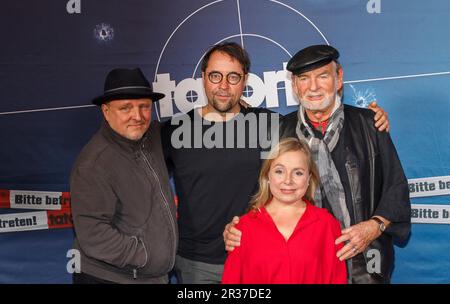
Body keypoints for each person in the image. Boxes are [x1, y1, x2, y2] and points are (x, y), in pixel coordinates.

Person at [162, 42, 389, 284]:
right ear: (204, 77)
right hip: (197, 264)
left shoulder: (271, 125)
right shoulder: (174, 130)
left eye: (233, 77)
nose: (223, 86)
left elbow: (314, 141)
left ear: (245, 80)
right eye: (215, 76)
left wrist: (371, 121)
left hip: (260, 258)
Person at [224, 45, 411, 284]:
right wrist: (237, 226)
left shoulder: (370, 124)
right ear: (294, 85)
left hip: (365, 262)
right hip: (305, 266)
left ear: (339, 78)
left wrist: (374, 227)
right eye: (304, 78)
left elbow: (396, 188)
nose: (313, 87)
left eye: (323, 76)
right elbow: (261, 193)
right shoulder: (278, 132)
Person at [70, 68, 178, 284]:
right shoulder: (93, 163)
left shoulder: (152, 135)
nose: (137, 116)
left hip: (150, 276)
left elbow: (195, 130)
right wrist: (147, 255)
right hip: (111, 278)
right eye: (126, 108)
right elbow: (94, 235)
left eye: (144, 107)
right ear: (106, 111)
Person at [221, 138, 347, 284]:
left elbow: (337, 279)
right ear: (267, 176)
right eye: (279, 171)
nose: (288, 180)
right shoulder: (243, 227)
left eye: (298, 173)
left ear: (308, 179)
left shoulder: (327, 225)